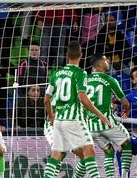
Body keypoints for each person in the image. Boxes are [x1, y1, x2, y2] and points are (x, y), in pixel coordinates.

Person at [43, 41, 110, 178]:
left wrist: (51, 117)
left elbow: (46, 99)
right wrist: (101, 115)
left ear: (67, 55)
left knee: (57, 154)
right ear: (81, 55)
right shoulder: (81, 73)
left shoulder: (56, 73)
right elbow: (82, 98)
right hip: (73, 119)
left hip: (58, 120)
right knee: (89, 150)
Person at [76, 53, 133, 178]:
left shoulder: (83, 80)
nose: (108, 61)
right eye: (105, 59)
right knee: (127, 143)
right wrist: (127, 109)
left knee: (108, 152)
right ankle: (124, 175)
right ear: (99, 64)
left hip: (90, 127)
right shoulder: (110, 80)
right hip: (108, 125)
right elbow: (125, 102)